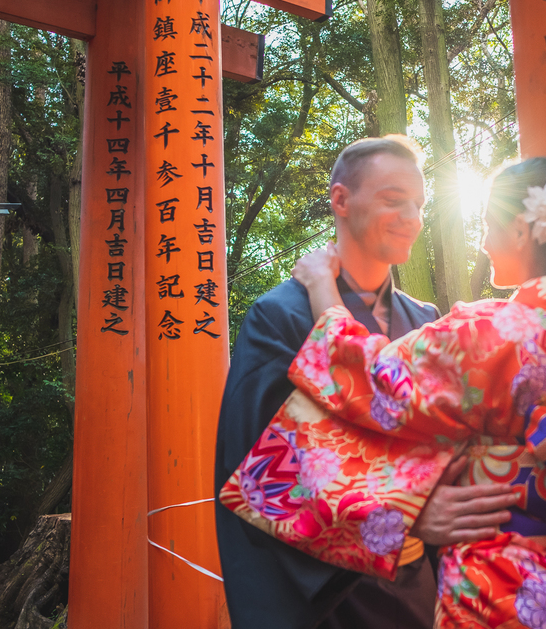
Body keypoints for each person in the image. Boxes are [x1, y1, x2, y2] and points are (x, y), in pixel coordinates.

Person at [230, 156, 546, 628]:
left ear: (523, 232)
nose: (483, 241)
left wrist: (322, 286)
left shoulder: (488, 331)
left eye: (490, 225)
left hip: (507, 593)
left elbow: (368, 376)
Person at [215, 135, 519, 629]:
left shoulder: (425, 320)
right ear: (340, 199)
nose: (412, 218)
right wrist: (403, 514)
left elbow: (454, 450)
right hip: (328, 599)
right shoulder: (280, 316)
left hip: (418, 591)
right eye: (392, 199)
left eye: (419, 204)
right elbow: (262, 474)